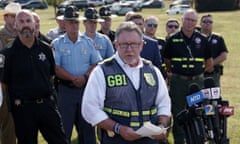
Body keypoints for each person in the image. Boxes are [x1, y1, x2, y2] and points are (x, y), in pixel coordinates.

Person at [82, 21, 171, 144]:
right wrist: (118, 128)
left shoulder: (152, 70)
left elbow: (163, 104)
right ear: (116, 45)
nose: (129, 49)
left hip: (149, 139)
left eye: (134, 44)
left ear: (141, 45)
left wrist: (161, 126)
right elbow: (90, 109)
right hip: (117, 138)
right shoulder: (102, 71)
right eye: (124, 44)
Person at [0, 9, 68, 144]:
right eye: (21, 21)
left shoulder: (46, 49)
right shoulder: (7, 54)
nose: (25, 24)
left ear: (34, 24)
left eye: (28, 21)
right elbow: (4, 84)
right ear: (16, 25)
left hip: (47, 106)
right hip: (22, 111)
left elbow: (50, 76)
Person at [52, 6, 102, 144]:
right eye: (70, 22)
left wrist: (85, 77)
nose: (74, 25)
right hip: (66, 91)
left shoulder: (88, 42)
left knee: (87, 129)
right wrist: (72, 78)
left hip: (86, 91)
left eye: (76, 22)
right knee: (64, 129)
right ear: (64, 24)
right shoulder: (57, 43)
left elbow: (96, 64)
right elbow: (56, 68)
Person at [163, 9, 213, 144]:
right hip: (179, 82)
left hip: (196, 83)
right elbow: (167, 60)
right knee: (179, 113)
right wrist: (173, 73)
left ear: (196, 22)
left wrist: (199, 74)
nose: (190, 23)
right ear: (182, 20)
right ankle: (180, 140)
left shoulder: (202, 40)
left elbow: (209, 62)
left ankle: (197, 139)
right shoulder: (173, 39)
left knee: (197, 111)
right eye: (187, 19)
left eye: (193, 20)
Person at [0, 2, 21, 144]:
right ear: (5, 17)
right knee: (8, 125)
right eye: (11, 16)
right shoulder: (1, 36)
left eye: (16, 16)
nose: (14, 20)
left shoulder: (24, 35)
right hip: (4, 85)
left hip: (22, 85)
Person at [200, 14, 228, 86]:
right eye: (205, 21)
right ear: (200, 23)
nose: (207, 24)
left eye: (210, 22)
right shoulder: (195, 37)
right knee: (198, 95)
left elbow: (224, 55)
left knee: (214, 95)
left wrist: (210, 65)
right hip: (197, 74)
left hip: (213, 73)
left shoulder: (218, 38)